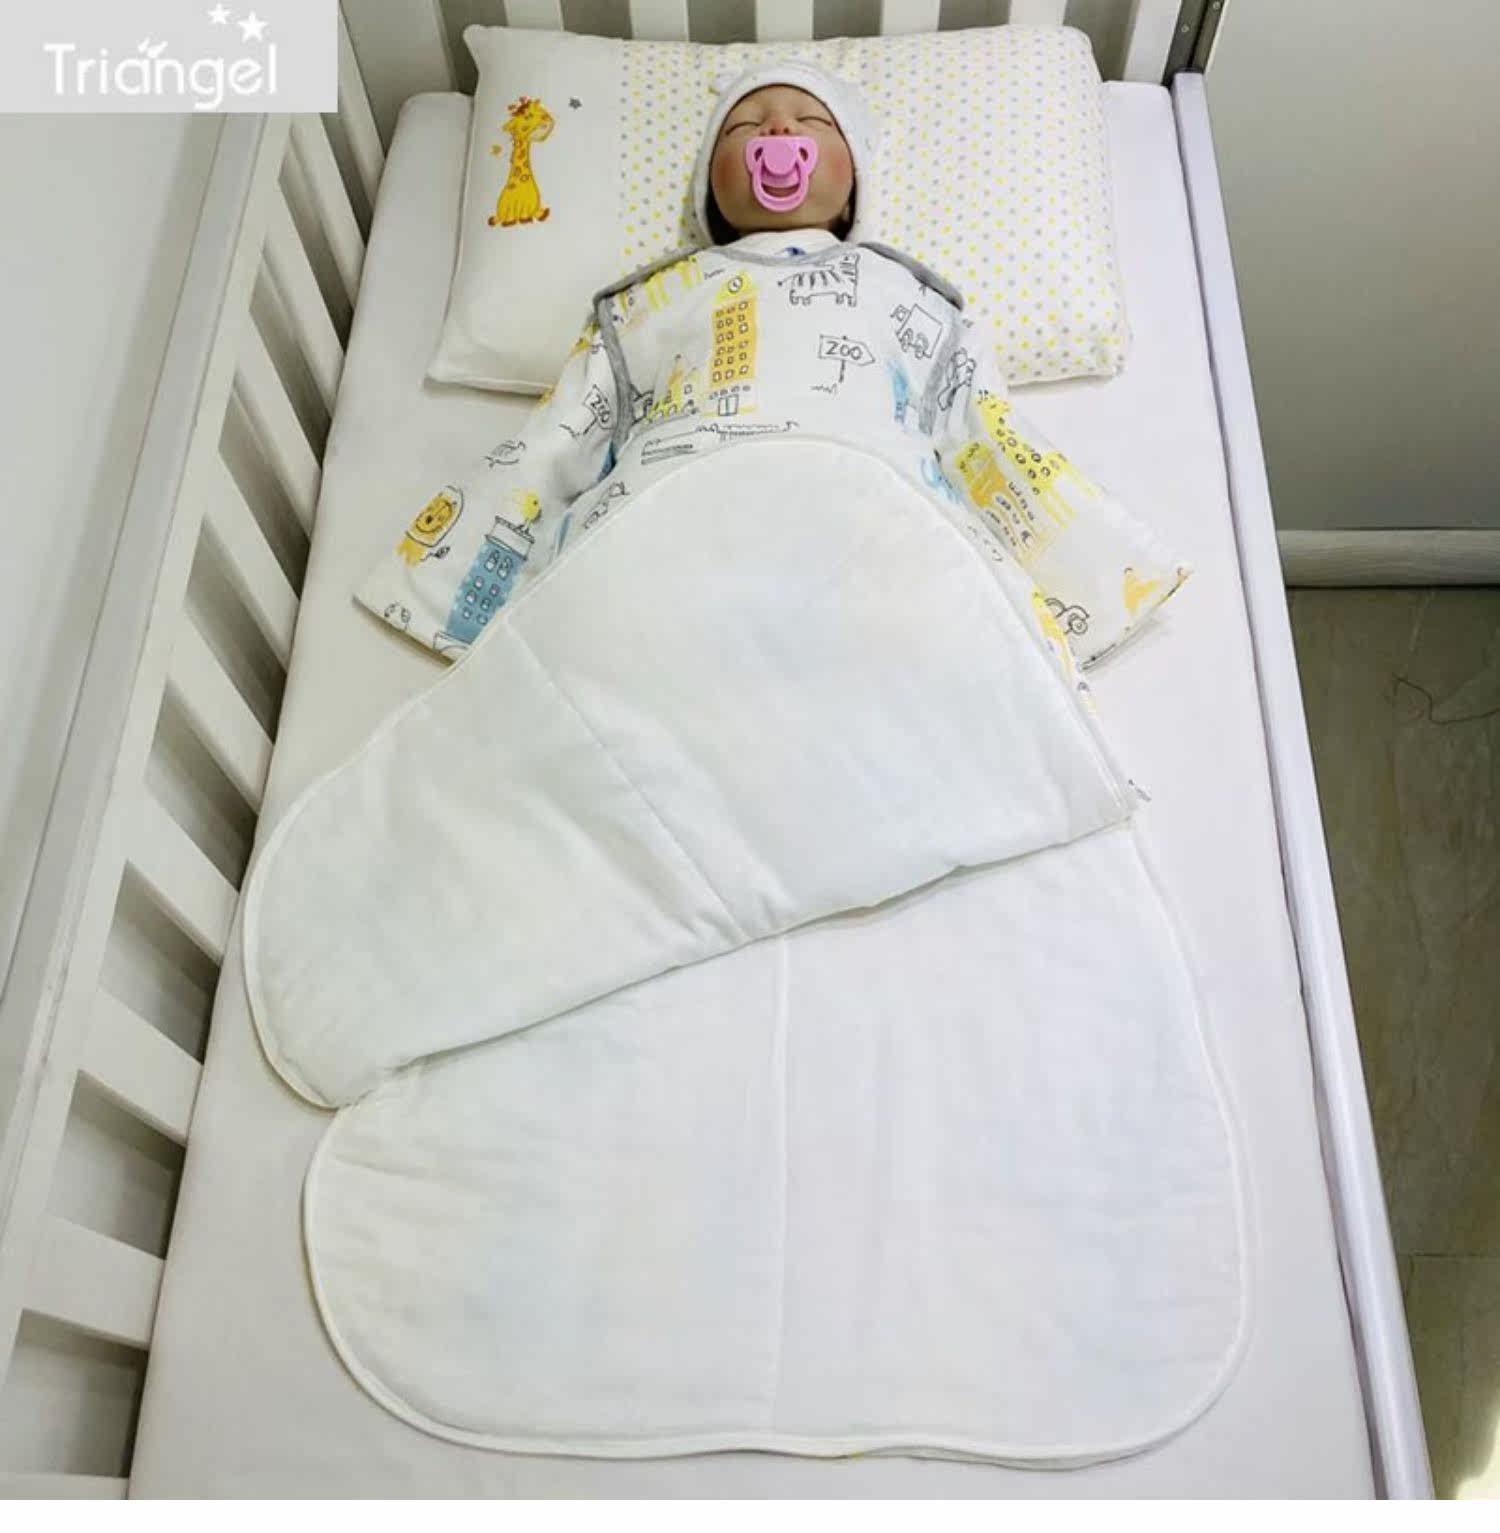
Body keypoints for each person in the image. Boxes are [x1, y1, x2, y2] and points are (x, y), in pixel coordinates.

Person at [357, 62, 1188, 671]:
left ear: (852, 187)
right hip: (674, 518)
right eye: (745, 129)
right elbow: (562, 436)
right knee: (614, 614)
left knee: (930, 614)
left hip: (868, 516)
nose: (778, 136)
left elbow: (986, 434)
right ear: (711, 192)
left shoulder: (908, 293)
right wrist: (449, 577)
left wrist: (1094, 571)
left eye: (809, 123)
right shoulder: (652, 299)